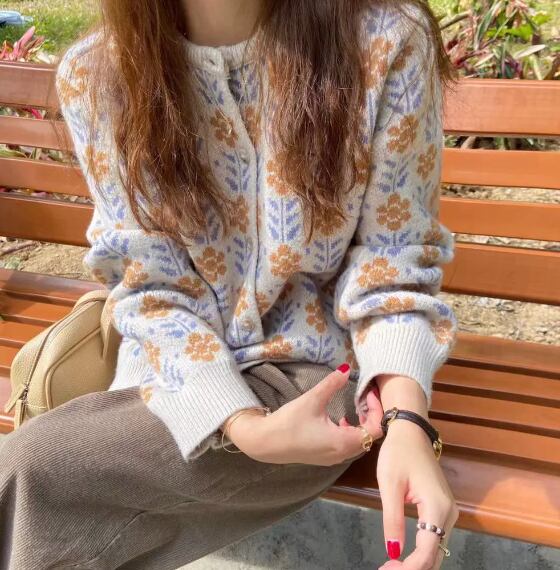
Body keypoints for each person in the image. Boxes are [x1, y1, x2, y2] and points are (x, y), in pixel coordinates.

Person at [0, 0, 460, 568]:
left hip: (313, 382)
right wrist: (241, 425)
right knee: (34, 481)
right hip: (172, 370)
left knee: (31, 477)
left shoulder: (383, 40)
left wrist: (407, 422)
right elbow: (150, 286)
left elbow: (392, 265)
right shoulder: (102, 73)